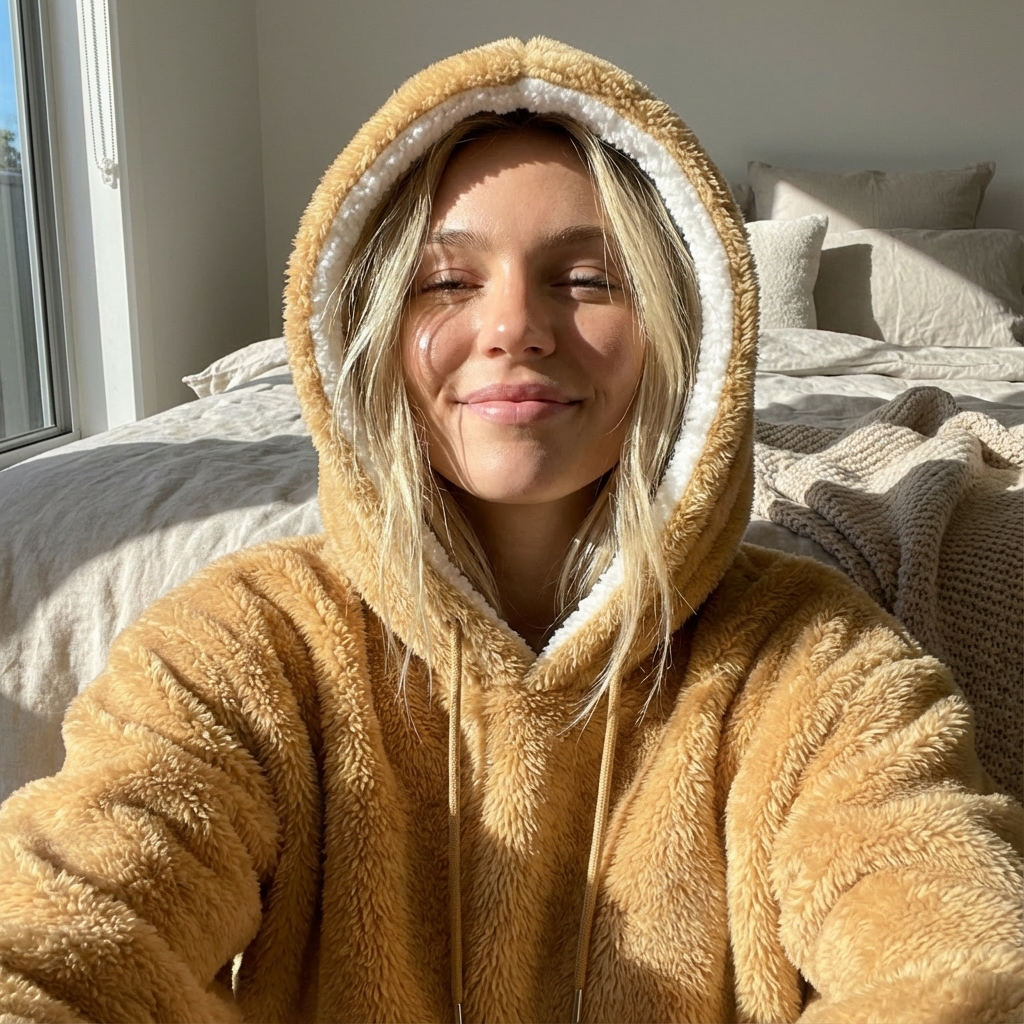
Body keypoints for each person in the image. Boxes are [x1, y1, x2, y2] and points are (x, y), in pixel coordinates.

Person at [0, 36, 1020, 1024]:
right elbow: (73, 919)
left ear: (685, 331)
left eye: (587, 279)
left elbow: (955, 947)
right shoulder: (239, 646)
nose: (513, 327)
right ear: (367, 324)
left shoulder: (821, 665)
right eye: (445, 281)